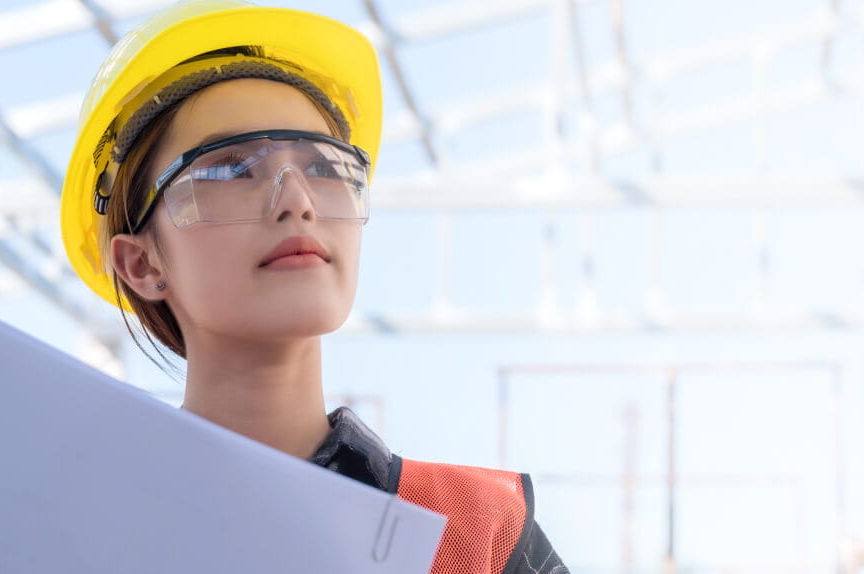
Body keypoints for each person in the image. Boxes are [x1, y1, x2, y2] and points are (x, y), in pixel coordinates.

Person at [60, 1, 569, 572]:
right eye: (230, 168)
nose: (298, 201)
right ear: (141, 263)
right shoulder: (72, 536)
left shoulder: (479, 537)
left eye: (327, 168)